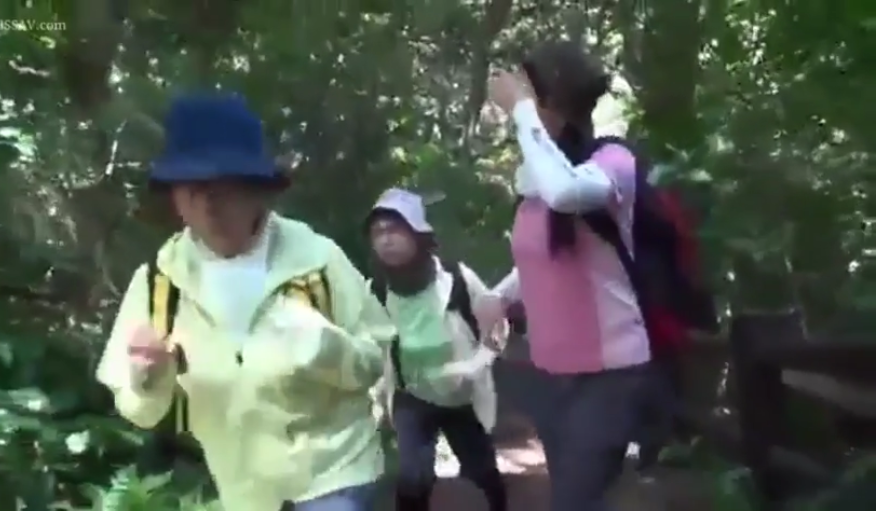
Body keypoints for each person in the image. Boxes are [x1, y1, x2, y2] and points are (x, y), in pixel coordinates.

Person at [95, 93, 395, 511]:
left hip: (335, 472)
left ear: (258, 190)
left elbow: (376, 359)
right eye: (193, 188)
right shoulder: (159, 283)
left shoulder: (316, 259)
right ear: (175, 196)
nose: (209, 204)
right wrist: (149, 379)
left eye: (225, 187)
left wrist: (325, 347)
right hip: (246, 493)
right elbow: (138, 411)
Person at [476, 41, 652, 511]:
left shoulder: (611, 162)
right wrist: (498, 297)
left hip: (610, 374)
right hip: (552, 373)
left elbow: (566, 194)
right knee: (581, 497)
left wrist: (522, 113)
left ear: (551, 101)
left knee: (575, 500)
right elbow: (540, 259)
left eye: (528, 93)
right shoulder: (538, 173)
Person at [366, 188, 508, 511]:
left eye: (394, 229)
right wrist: (376, 394)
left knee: (482, 473)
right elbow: (370, 345)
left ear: (417, 233)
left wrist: (476, 365)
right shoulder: (376, 290)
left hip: (461, 398)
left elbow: (497, 327)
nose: (386, 239)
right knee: (413, 478)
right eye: (377, 232)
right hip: (411, 396)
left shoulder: (457, 278)